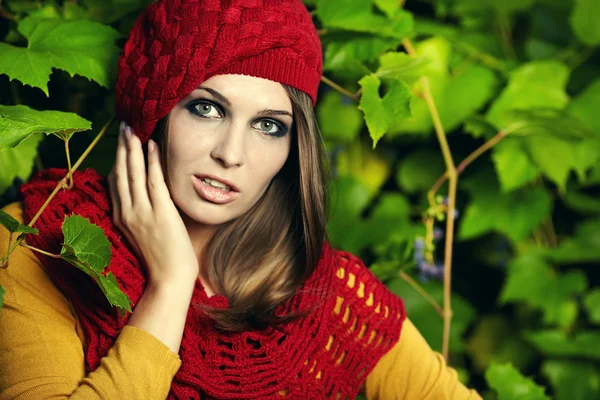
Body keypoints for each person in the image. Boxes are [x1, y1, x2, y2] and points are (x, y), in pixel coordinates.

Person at [0, 0, 482, 399]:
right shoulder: (40, 240)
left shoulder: (323, 294)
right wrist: (170, 286)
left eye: (269, 125)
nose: (231, 154)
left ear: (295, 149)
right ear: (156, 111)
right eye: (207, 108)